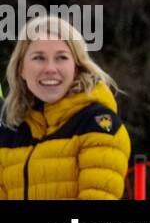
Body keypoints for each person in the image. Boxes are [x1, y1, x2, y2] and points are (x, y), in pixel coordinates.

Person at [0, 16, 131, 200]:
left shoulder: (98, 125)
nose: (50, 68)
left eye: (61, 57)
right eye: (39, 58)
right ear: (21, 68)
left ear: (76, 67)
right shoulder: (10, 131)